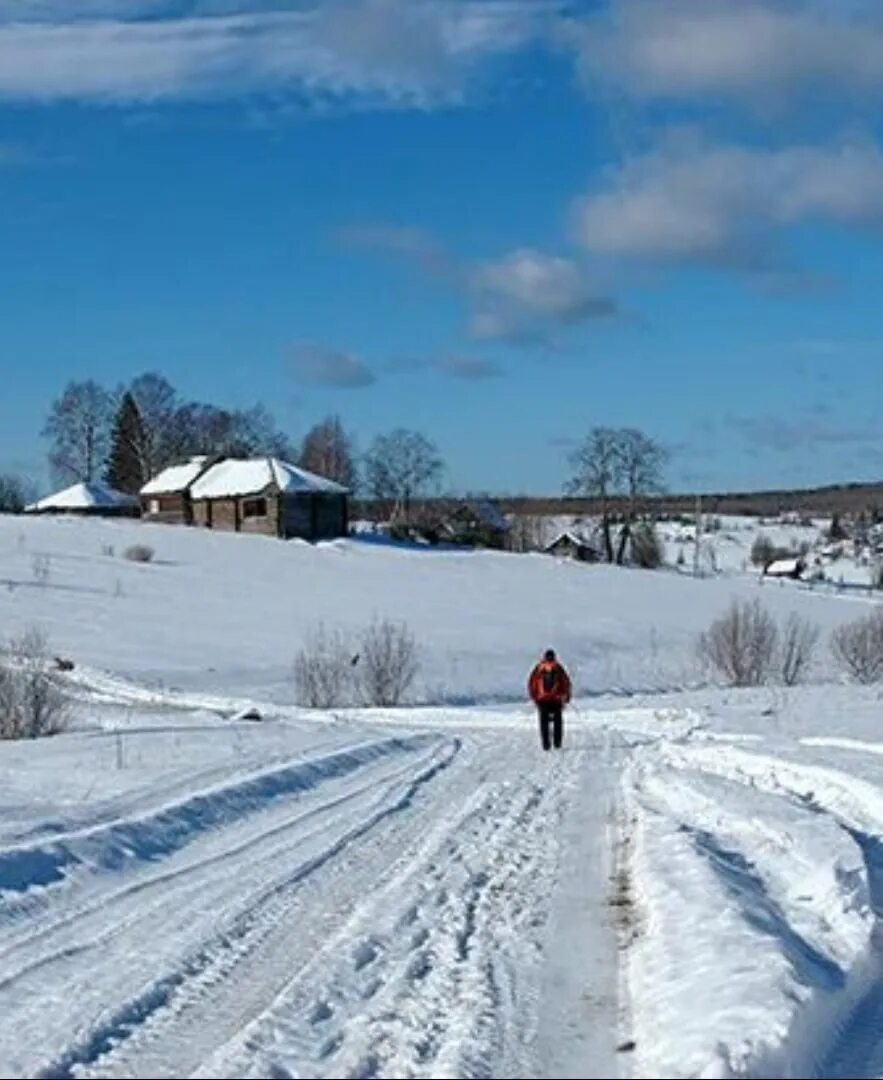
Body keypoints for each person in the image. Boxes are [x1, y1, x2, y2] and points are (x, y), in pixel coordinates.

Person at [528, 648, 572, 751]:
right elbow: (566, 683)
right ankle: (557, 743)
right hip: (556, 700)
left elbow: (531, 684)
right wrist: (567, 698)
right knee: (558, 721)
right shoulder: (558, 668)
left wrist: (534, 698)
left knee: (543, 722)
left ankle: (545, 744)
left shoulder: (539, 668)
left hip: (542, 700)